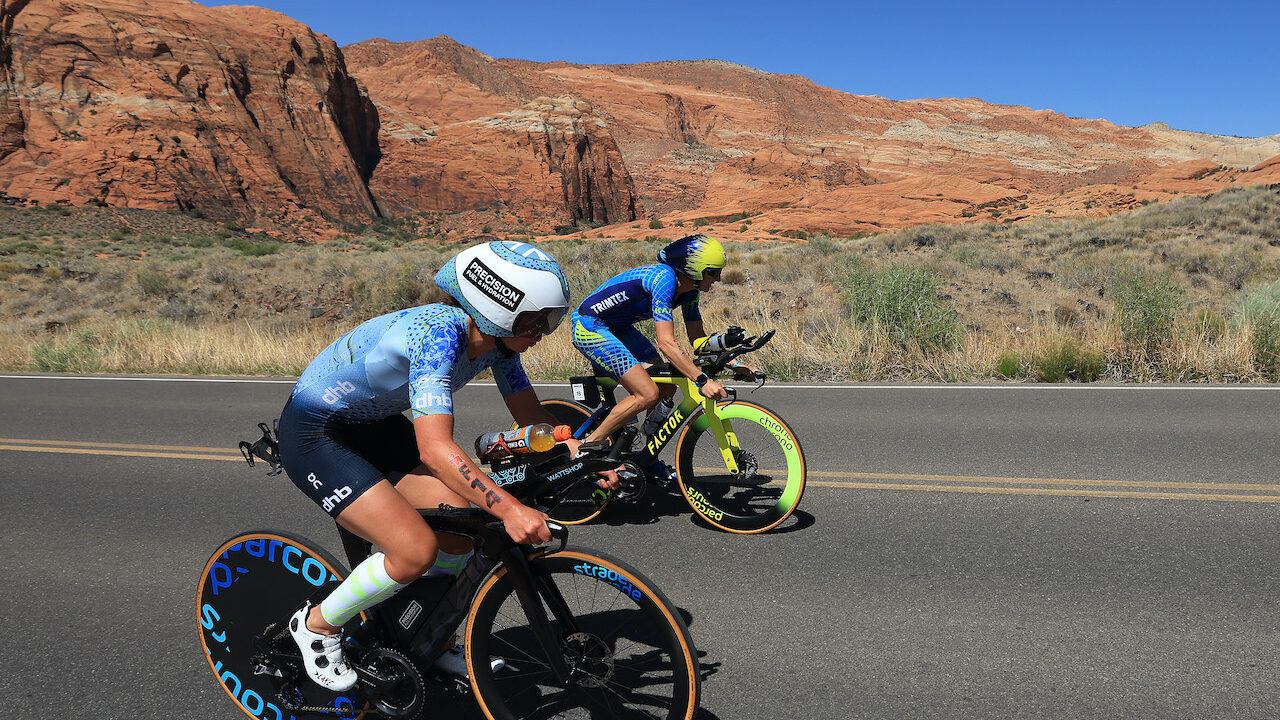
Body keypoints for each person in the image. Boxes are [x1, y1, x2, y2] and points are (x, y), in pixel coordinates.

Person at [276, 240, 599, 691]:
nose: (544, 330)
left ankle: (429, 633)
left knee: (460, 526)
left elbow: (534, 418)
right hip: (316, 433)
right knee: (414, 550)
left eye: (551, 319)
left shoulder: (499, 345)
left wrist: (587, 459)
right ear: (496, 308)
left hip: (375, 425)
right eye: (535, 319)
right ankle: (317, 626)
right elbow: (434, 448)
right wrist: (511, 509)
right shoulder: (439, 333)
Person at [570, 233, 756, 480]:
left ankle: (646, 455)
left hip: (618, 328)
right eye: (713, 272)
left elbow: (698, 341)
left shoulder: (690, 291)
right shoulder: (664, 280)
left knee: (666, 385)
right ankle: (585, 450)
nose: (719, 278)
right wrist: (701, 381)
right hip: (590, 326)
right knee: (647, 393)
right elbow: (666, 343)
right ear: (693, 269)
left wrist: (733, 361)